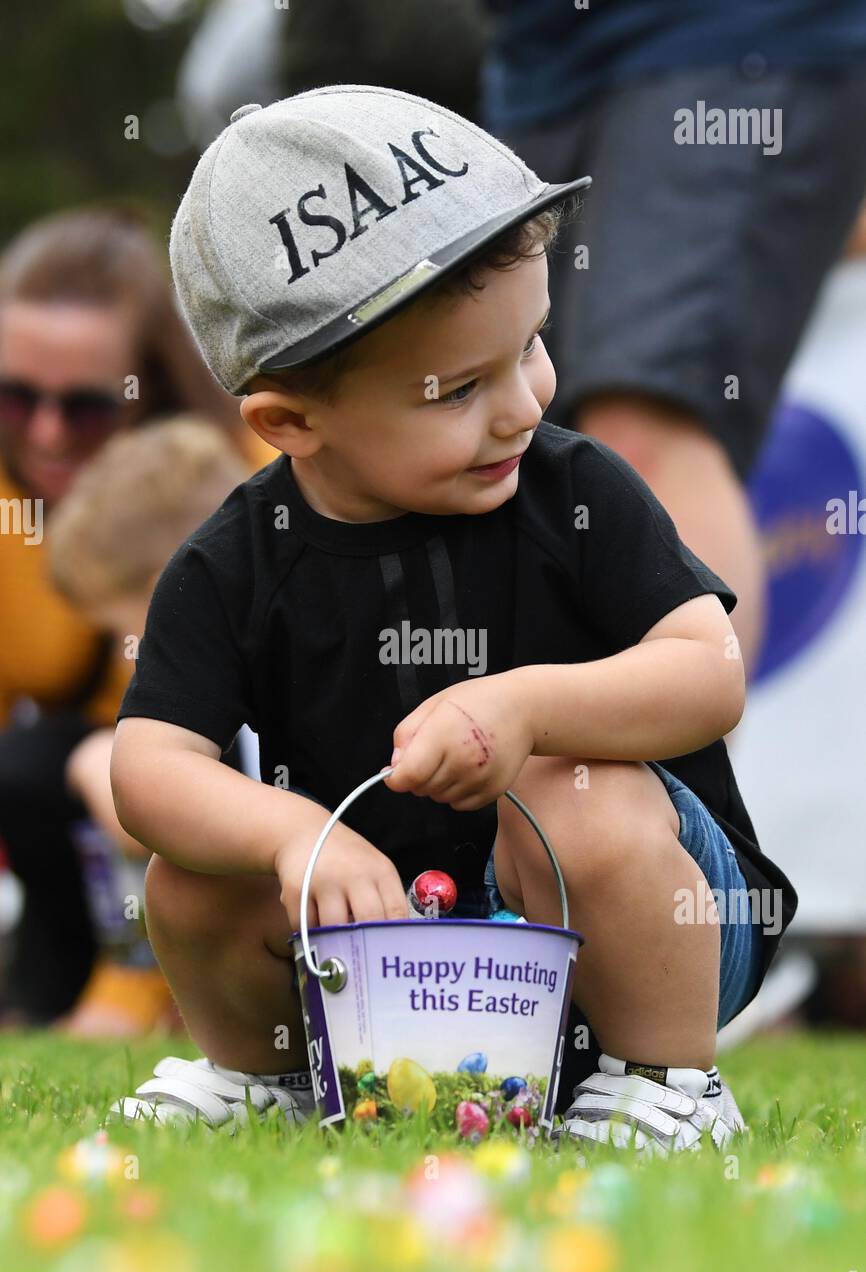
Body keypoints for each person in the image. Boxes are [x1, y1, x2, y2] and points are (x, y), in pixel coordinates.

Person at [109, 88, 797, 1151]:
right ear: (291, 421)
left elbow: (706, 671)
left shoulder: (574, 491)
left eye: (529, 347)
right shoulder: (235, 560)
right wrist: (288, 834)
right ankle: (273, 1070)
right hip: (384, 956)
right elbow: (148, 767)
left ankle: (663, 1083)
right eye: (456, 387)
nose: (522, 404)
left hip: (656, 925)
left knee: (563, 785)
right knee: (191, 870)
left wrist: (527, 706)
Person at [480, 0, 866, 678]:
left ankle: (676, 780)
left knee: (639, 438)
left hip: (736, 31)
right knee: (526, 458)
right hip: (535, 56)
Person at [0, 205, 275, 1024]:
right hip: (74, 786)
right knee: (28, 768)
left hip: (219, 772)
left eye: (84, 404)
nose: (46, 431)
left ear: (146, 381)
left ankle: (168, 992)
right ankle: (53, 991)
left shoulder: (248, 485)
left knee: (155, 782)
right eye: (15, 397)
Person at [44, 415, 251, 1036]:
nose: (117, 655)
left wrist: (94, 764)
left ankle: (161, 999)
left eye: (120, 630)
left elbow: (154, 821)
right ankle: (147, 994)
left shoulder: (246, 688)